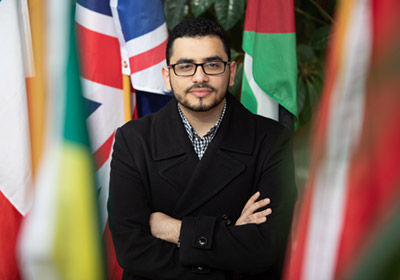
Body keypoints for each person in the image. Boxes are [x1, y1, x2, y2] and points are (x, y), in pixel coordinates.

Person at [108, 18, 297, 280]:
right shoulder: (133, 140)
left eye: (212, 64)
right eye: (185, 66)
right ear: (167, 76)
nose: (200, 77)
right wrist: (230, 234)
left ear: (231, 72)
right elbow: (131, 251)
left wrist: (174, 230)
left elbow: (266, 248)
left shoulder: (272, 139)